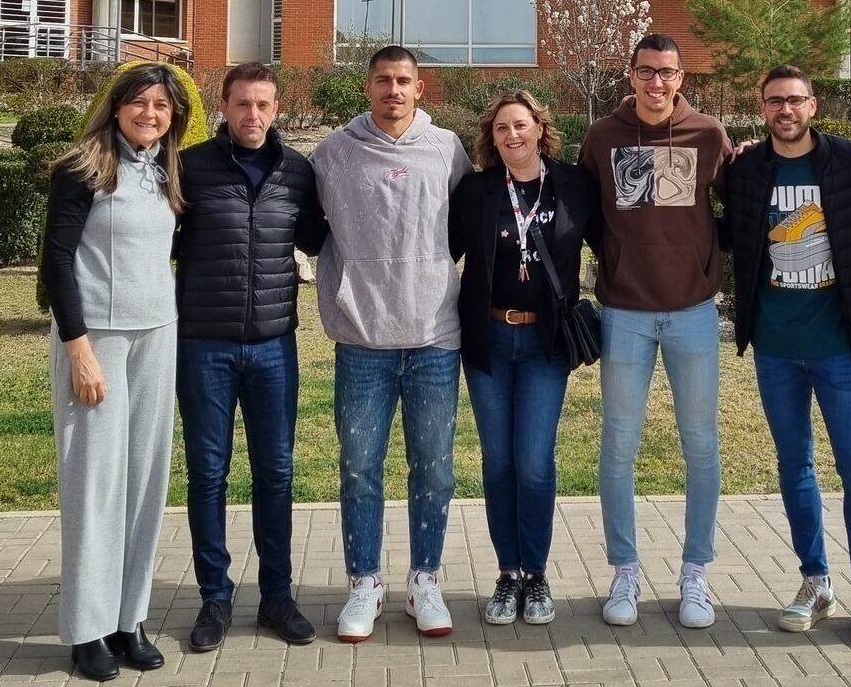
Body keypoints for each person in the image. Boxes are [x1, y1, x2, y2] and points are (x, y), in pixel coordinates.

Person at [311, 45, 473, 643]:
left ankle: (424, 579)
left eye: (404, 81)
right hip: (362, 340)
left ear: (420, 88)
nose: (394, 91)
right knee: (360, 469)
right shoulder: (334, 154)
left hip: (434, 337)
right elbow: (309, 230)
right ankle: (365, 582)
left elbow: (467, 225)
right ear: (368, 87)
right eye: (383, 80)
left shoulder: (446, 149)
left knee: (432, 468)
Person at [721, 64, 851, 644]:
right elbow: (726, 233)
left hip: (838, 346)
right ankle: (815, 581)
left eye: (794, 101)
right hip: (776, 349)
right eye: (774, 102)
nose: (784, 110)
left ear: (813, 106)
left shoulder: (850, 163)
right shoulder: (745, 171)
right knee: (795, 467)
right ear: (762, 108)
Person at [41, 63, 192, 682]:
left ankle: (129, 619)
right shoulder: (83, 169)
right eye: (139, 103)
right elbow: (55, 258)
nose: (150, 114)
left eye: (161, 105)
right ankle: (88, 630)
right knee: (95, 484)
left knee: (145, 481)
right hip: (96, 339)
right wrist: (78, 348)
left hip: (157, 334)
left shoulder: (163, 171)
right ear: (117, 106)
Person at [578, 33, 732, 629]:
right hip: (625, 315)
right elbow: (587, 216)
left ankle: (696, 572)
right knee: (619, 445)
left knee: (701, 444)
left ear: (681, 78)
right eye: (647, 72)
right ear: (632, 75)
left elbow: (735, 203)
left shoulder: (709, 136)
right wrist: (615, 267)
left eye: (667, 73)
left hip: (693, 312)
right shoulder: (603, 137)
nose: (657, 83)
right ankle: (624, 571)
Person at [174, 61, 327, 651]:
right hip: (204, 347)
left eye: (264, 105)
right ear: (225, 106)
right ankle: (214, 598)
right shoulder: (189, 170)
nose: (253, 116)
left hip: (273, 347)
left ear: (277, 109)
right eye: (243, 105)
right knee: (208, 473)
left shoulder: (297, 172)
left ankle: (276, 598)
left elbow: (316, 237)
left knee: (277, 472)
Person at [450, 90, 598, 627]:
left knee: (534, 463)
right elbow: (440, 249)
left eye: (521, 125)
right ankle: (507, 573)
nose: (512, 135)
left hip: (545, 345)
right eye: (501, 128)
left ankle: (536, 575)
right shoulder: (476, 191)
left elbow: (616, 240)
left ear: (540, 127)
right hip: (490, 341)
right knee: (498, 462)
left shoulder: (575, 186)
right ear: (492, 138)